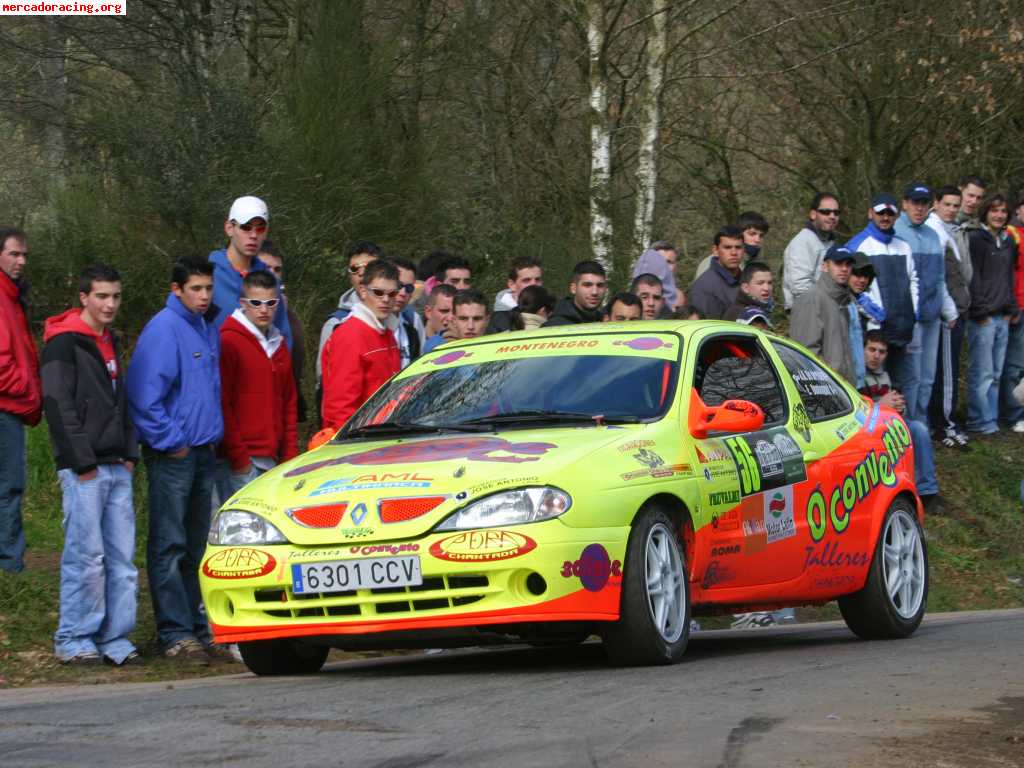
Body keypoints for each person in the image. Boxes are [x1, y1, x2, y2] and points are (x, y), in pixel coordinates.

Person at [41, 264, 140, 666]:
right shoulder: (63, 343)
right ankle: (75, 637)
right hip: (85, 469)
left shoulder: (110, 340)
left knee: (122, 560)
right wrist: (81, 462)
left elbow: (123, 399)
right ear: (84, 297)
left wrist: (131, 453)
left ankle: (114, 638)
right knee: (86, 557)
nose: (110, 304)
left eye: (115, 296)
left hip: (117, 464)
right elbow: (57, 405)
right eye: (101, 296)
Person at [126, 257, 224, 663]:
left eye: (208, 289)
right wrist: (172, 442)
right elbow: (143, 395)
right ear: (176, 289)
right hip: (175, 454)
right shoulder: (164, 330)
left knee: (199, 545)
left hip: (203, 451)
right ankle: (174, 633)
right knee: (169, 543)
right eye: (195, 289)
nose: (203, 297)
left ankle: (199, 627)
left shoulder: (203, 327)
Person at [217, 271, 298, 500]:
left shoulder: (279, 345)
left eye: (271, 303)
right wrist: (239, 458)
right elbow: (223, 404)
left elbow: (289, 403)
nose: (264, 309)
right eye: (256, 303)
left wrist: (289, 456)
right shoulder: (228, 341)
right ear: (243, 303)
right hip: (240, 463)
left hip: (273, 461)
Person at [894, 182, 958, 423]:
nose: (919, 208)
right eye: (914, 203)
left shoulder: (933, 235)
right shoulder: (897, 230)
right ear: (905, 204)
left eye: (923, 203)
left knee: (928, 376)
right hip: (909, 319)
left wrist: (948, 310)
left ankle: (922, 423)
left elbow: (939, 278)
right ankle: (907, 425)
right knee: (911, 376)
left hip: (931, 316)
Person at [845, 193, 918, 397]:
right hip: (873, 330)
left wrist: (915, 311)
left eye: (890, 213)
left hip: (902, 329)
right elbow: (849, 283)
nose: (885, 217)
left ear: (896, 216)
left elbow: (914, 280)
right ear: (870, 213)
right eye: (880, 213)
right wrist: (869, 308)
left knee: (899, 384)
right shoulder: (858, 244)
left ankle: (899, 425)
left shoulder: (904, 245)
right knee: (871, 386)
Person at [860, 330, 941, 509]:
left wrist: (899, 407)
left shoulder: (885, 375)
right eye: (872, 350)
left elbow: (894, 406)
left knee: (919, 429)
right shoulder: (856, 374)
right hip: (869, 429)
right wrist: (880, 405)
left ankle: (927, 491)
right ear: (863, 349)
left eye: (881, 352)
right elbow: (856, 413)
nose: (876, 356)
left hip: (890, 423)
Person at [0, 227, 40, 574]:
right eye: (13, 254)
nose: (21, 261)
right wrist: (30, 392)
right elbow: (1, 364)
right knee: (9, 485)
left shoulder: (11, 296)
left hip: (11, 406)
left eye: (24, 255)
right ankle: (10, 566)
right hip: (6, 407)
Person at [320, 260, 401, 431]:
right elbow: (341, 406)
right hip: (358, 441)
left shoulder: (386, 332)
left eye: (392, 293)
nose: (386, 299)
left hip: (383, 435)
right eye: (378, 292)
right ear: (363, 291)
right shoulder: (350, 335)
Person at [965, 194, 1018, 434]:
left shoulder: (1008, 241)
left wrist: (1010, 308)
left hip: (1002, 316)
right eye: (994, 211)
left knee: (996, 373)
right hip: (983, 317)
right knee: (982, 373)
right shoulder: (976, 239)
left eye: (1003, 211)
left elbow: (1009, 276)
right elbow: (973, 277)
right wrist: (980, 311)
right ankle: (978, 420)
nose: (999, 215)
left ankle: (991, 419)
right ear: (986, 212)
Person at [207, 196, 291, 346]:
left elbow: (282, 339)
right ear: (229, 228)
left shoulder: (270, 281)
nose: (253, 235)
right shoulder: (207, 277)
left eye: (260, 228)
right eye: (246, 227)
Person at [926, 186, 972, 447]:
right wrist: (950, 311)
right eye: (948, 204)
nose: (952, 209)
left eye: (956, 205)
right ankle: (945, 426)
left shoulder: (949, 230)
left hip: (956, 311)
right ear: (937, 203)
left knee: (948, 371)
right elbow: (938, 279)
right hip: (947, 316)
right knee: (945, 373)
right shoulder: (935, 232)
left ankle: (944, 421)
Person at [316, 240, 381, 393]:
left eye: (369, 267)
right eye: (354, 268)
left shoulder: (403, 319)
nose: (361, 273)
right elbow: (324, 381)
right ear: (349, 275)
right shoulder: (336, 324)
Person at [257, 240, 307, 423]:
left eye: (277, 270)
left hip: (283, 414)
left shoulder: (291, 320)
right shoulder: (237, 317)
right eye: (265, 267)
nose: (272, 275)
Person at [789, 246, 856, 383]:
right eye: (838, 264)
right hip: (825, 390)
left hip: (844, 390)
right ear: (825, 266)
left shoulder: (843, 301)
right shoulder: (811, 299)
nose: (844, 269)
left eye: (848, 264)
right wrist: (826, 386)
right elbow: (805, 355)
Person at [782, 192, 840, 310]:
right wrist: (826, 307)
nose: (832, 216)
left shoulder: (831, 243)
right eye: (826, 212)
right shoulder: (802, 242)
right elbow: (800, 286)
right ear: (813, 214)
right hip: (808, 312)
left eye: (836, 212)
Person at [999, 210, 1024, 431]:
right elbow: (1006, 272)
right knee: (1014, 365)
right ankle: (1014, 414)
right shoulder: (1011, 233)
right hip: (1019, 306)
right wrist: (1012, 305)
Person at [687, 226, 744, 320]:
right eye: (727, 247)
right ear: (715, 251)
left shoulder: (746, 280)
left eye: (738, 247)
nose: (734, 252)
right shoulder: (705, 287)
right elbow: (705, 329)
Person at [694, 211, 769, 279]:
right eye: (752, 234)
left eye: (761, 236)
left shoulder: (755, 264)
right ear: (739, 233)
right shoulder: (713, 263)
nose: (757, 240)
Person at [544, 260, 608, 326]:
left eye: (600, 285)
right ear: (573, 288)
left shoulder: (606, 323)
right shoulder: (554, 327)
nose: (594, 292)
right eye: (587, 285)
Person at [390, 256, 426, 369]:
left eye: (409, 288)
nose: (403, 293)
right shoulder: (360, 325)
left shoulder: (412, 323)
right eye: (398, 285)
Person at [631, 241, 681, 309]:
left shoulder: (679, 299)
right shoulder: (633, 292)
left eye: (669, 262)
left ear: (676, 266)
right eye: (660, 261)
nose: (664, 266)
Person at [422, 284, 457, 353]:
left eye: (455, 312)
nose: (450, 318)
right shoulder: (412, 340)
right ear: (428, 312)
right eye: (444, 311)